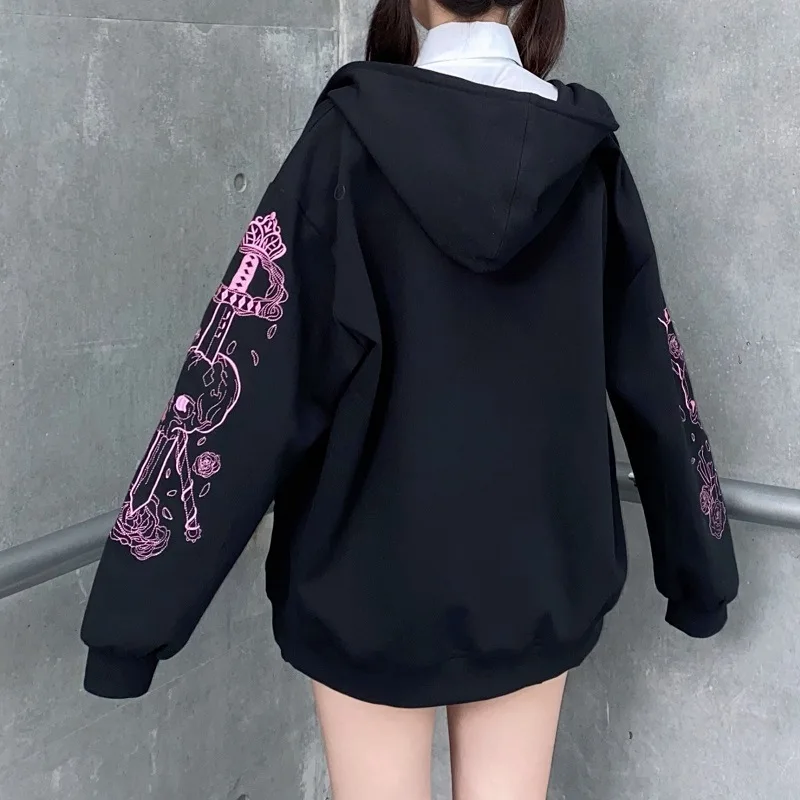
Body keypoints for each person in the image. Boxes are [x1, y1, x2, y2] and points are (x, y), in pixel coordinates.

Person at [79, 1, 739, 797]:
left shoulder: (349, 141)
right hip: (535, 578)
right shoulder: (588, 162)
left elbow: (247, 368)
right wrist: (700, 574)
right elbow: (653, 369)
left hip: (365, 587)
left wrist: (131, 623)